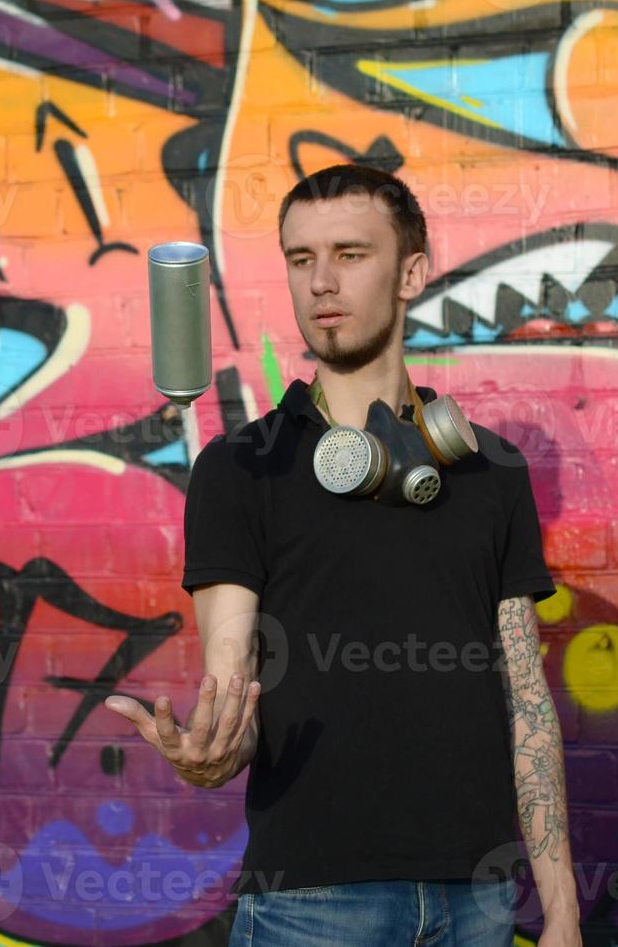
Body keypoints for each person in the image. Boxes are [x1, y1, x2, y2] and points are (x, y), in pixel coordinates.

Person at [105, 164, 582, 946]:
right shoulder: (240, 469)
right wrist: (211, 751)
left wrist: (560, 908)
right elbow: (231, 686)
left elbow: (527, 702)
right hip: (311, 906)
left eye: (352, 254)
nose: (322, 282)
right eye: (301, 259)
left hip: (480, 901)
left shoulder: (491, 474)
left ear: (412, 273)